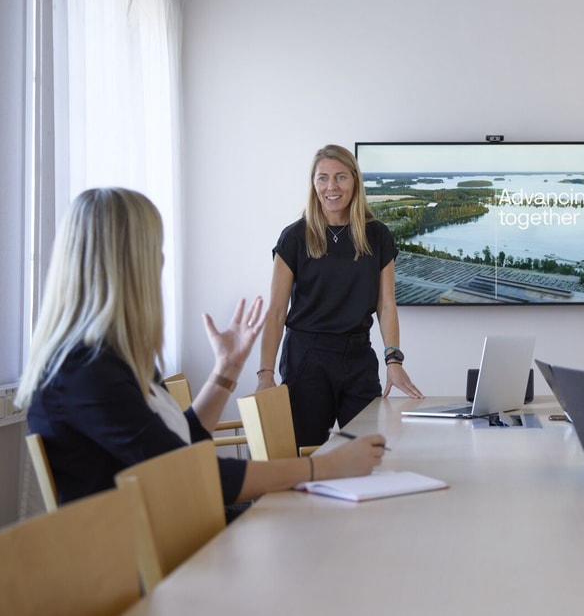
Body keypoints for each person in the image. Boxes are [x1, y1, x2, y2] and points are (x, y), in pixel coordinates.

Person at [17, 187, 387, 510]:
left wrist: (225, 372)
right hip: (149, 555)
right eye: (154, 249)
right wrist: (323, 467)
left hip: (173, 525)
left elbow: (182, 445)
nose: (161, 260)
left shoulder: (114, 357)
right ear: (125, 263)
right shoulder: (86, 372)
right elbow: (193, 474)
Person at [257, 144, 422, 448]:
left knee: (368, 452)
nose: (331, 187)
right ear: (313, 184)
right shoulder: (294, 237)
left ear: (355, 181)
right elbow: (277, 311)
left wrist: (393, 360)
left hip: (358, 356)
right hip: (307, 357)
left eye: (340, 177)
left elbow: (386, 305)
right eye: (322, 178)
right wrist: (265, 374)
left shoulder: (377, 235)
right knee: (306, 453)